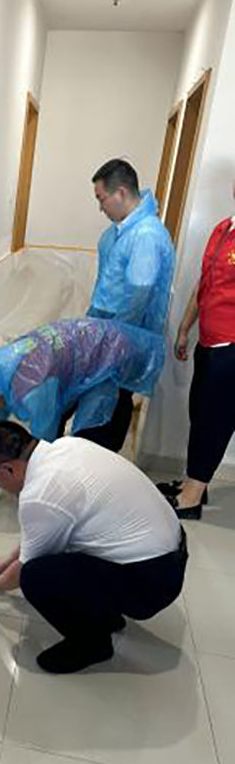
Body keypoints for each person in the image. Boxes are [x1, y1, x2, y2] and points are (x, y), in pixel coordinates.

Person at [0, 421, 187, 674]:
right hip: (172, 558)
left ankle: (92, 645)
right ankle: (105, 615)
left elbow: (24, 567)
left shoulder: (39, 492)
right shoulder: (68, 445)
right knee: (66, 552)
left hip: (152, 583)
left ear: (8, 469)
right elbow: (41, 534)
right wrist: (3, 565)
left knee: (35, 576)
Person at [0, 317, 165, 448]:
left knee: (94, 435)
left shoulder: (32, 387)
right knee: (70, 420)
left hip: (113, 357)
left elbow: (44, 438)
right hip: (94, 346)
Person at [83, 159, 176, 447]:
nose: (100, 208)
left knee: (109, 412)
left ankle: (99, 466)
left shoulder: (146, 235)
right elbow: (106, 289)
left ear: (121, 192)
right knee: (96, 407)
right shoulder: (119, 232)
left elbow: (138, 297)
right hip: (107, 334)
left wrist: (110, 345)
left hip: (122, 341)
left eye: (101, 199)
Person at [157, 184, 235, 519]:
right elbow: (204, 283)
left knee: (215, 421)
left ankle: (191, 499)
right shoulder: (223, 229)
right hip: (208, 341)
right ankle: (194, 484)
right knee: (200, 415)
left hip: (231, 346)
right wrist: (185, 328)